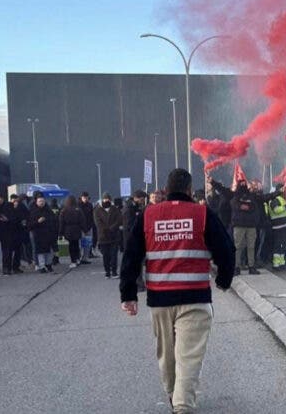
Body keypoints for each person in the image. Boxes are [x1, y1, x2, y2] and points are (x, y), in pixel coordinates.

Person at [120, 168, 235, 413]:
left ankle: (174, 395)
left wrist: (128, 294)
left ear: (166, 189)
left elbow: (131, 256)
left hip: (159, 300)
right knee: (189, 356)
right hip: (195, 297)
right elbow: (226, 249)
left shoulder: (148, 215)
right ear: (189, 190)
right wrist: (224, 280)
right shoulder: (202, 214)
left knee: (167, 355)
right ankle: (182, 406)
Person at [95, 192, 123, 278]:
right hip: (103, 236)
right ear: (102, 199)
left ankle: (114, 272)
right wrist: (106, 230)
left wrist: (112, 228)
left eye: (108, 199)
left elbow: (119, 220)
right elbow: (98, 222)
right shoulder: (97, 210)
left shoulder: (114, 209)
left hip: (114, 236)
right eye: (105, 199)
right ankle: (107, 272)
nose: (106, 200)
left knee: (114, 255)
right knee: (106, 256)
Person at [265, 184, 286, 270]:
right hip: (278, 227)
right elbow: (276, 210)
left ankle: (281, 263)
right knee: (278, 245)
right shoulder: (274, 200)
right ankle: (276, 264)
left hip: (284, 226)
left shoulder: (282, 199)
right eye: (283, 188)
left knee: (282, 245)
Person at [29, 196, 57, 273]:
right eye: (40, 201)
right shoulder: (33, 211)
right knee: (40, 252)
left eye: (43, 201)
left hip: (48, 233)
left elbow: (53, 220)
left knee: (49, 251)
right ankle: (41, 266)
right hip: (38, 234)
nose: (41, 203)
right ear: (36, 202)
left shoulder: (48, 210)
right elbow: (30, 225)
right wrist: (38, 222)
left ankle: (48, 264)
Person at [59, 196, 86, 268]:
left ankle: (73, 261)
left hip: (68, 230)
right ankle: (77, 259)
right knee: (76, 245)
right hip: (77, 229)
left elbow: (61, 223)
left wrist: (61, 233)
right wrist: (84, 229)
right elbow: (82, 221)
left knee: (70, 246)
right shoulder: (78, 210)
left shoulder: (64, 211)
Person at [79, 192, 95, 263]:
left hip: (89, 227)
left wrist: (91, 225)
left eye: (86, 198)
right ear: (81, 198)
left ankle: (85, 258)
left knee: (88, 244)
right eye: (84, 197)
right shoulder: (78, 205)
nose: (85, 199)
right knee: (81, 244)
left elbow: (92, 216)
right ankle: (79, 258)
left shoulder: (90, 205)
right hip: (81, 228)